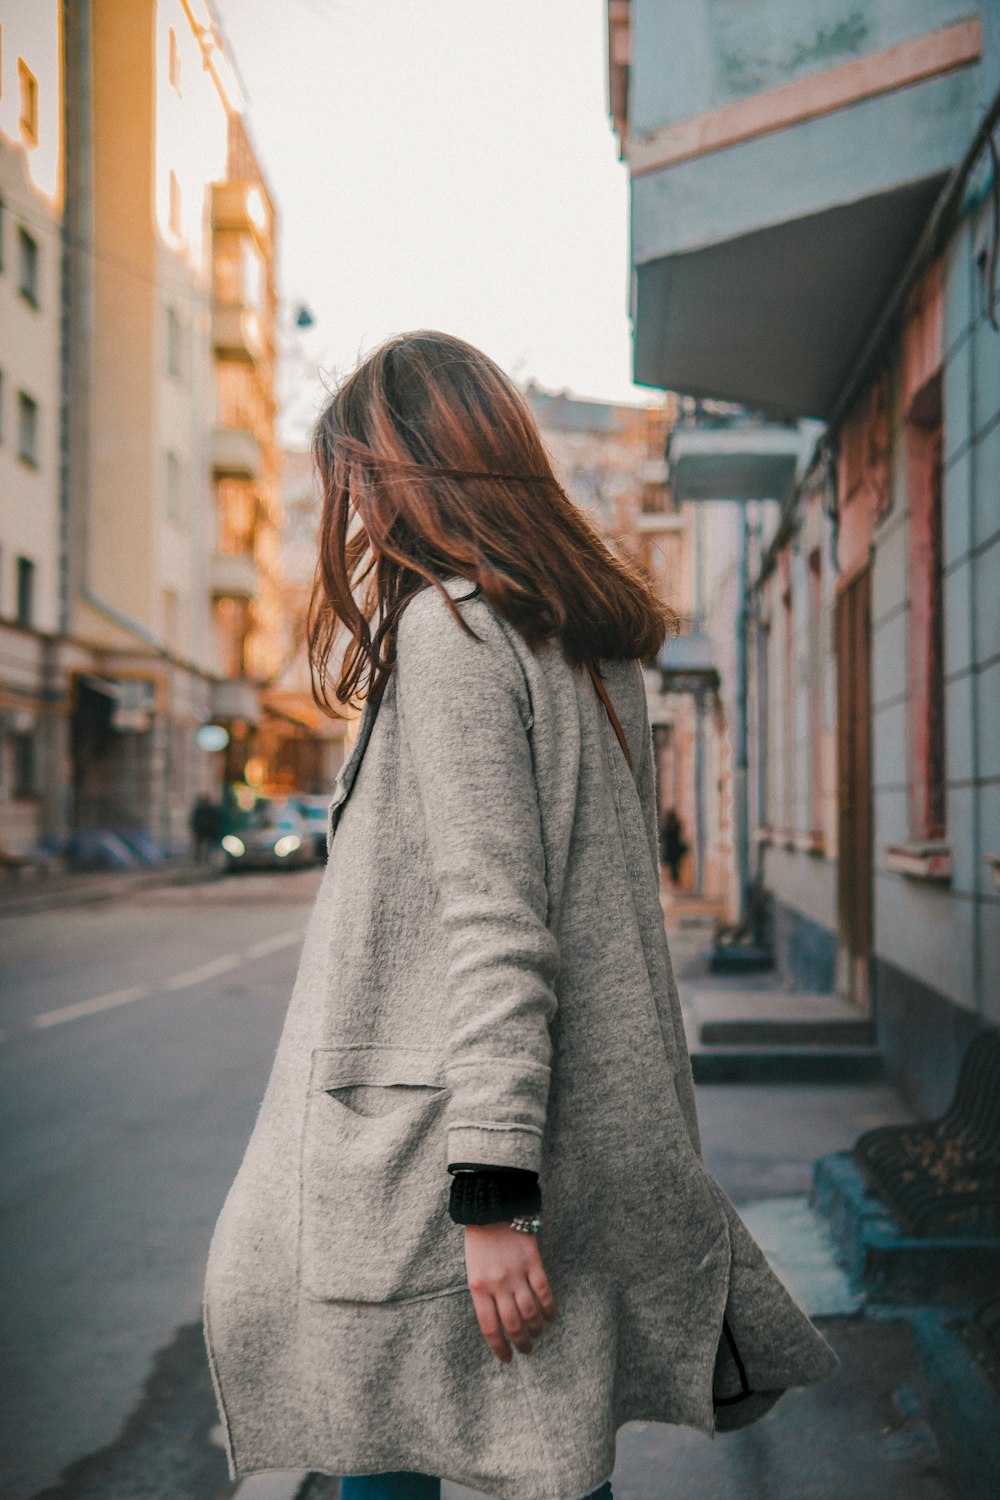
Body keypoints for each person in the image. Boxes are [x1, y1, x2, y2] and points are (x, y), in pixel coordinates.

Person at [202, 331, 839, 1500]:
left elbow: (498, 927)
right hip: (554, 1132)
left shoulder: (450, 631)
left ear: (408, 472)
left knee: (396, 1450)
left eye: (355, 473)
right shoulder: (582, 644)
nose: (347, 507)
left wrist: (491, 1195)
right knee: (541, 1458)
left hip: (441, 1168)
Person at [659, 807, 688, 886]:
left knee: (673, 866)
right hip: (675, 849)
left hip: (672, 850)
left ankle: (674, 881)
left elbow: (664, 837)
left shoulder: (668, 826)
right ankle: (675, 881)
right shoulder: (675, 826)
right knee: (675, 866)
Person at [189, 793, 221, 863]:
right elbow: (216, 817)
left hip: (200, 830)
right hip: (207, 830)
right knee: (207, 846)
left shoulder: (198, 808)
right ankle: (206, 859)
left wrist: (194, 828)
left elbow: (193, 819)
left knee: (199, 846)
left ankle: (198, 860)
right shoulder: (210, 808)